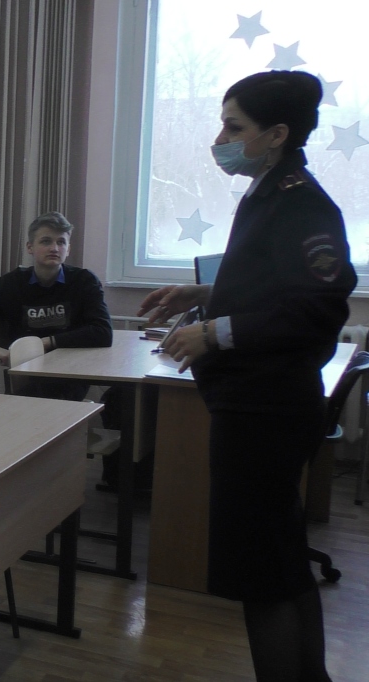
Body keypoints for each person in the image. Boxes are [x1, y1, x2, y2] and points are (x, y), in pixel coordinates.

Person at [138, 70, 354, 682]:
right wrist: (207, 292)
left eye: (234, 128)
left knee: (263, 574)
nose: (220, 140)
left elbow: (317, 308)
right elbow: (274, 285)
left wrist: (213, 332)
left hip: (266, 411)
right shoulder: (269, 193)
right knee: (280, 562)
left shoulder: (301, 203)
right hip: (256, 406)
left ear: (277, 134)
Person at [0, 211, 113, 401]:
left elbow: (102, 332)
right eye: (46, 241)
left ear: (68, 249)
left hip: (70, 373)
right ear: (30, 247)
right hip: (26, 373)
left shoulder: (84, 281)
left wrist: (44, 343)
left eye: (61, 242)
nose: (54, 248)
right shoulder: (10, 285)